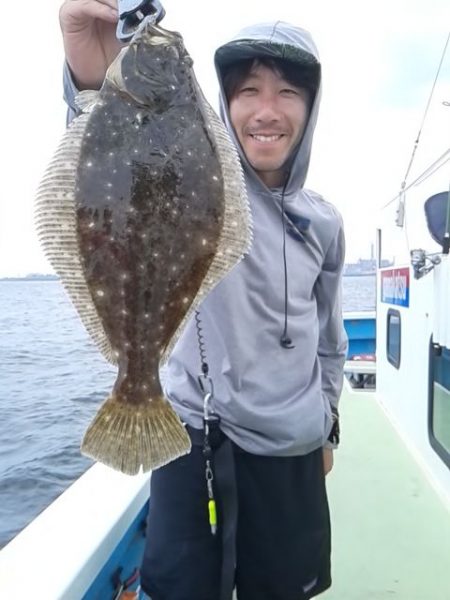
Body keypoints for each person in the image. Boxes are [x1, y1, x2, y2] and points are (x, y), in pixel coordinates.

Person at [59, 2, 348, 599]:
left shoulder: (324, 222)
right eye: (247, 91)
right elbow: (108, 171)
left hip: (292, 451)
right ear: (221, 101)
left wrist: (326, 428)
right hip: (192, 439)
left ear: (311, 107)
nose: (267, 110)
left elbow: (329, 339)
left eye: (288, 92)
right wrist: (89, 82)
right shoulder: (203, 180)